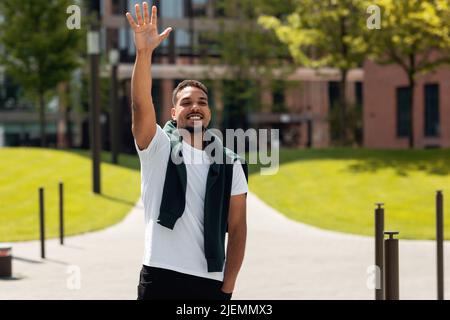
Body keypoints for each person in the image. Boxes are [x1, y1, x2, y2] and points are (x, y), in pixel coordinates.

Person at [125, 2, 248, 300]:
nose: (195, 107)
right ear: (172, 112)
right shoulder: (158, 147)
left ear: (209, 112)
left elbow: (238, 227)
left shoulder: (230, 163)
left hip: (210, 281)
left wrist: (227, 287)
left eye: (202, 102)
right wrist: (144, 54)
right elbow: (141, 105)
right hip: (160, 274)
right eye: (186, 102)